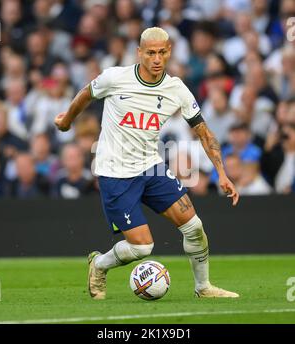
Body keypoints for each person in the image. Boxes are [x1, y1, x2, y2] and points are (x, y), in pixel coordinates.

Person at [54, 27, 240, 300]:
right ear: (139, 52)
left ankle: (203, 288)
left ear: (169, 52)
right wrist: (68, 120)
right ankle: (99, 264)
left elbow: (204, 132)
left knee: (194, 226)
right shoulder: (115, 77)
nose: (156, 58)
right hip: (115, 173)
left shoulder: (176, 89)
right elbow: (86, 92)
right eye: (150, 52)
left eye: (162, 52)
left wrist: (222, 173)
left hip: (151, 167)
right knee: (142, 248)